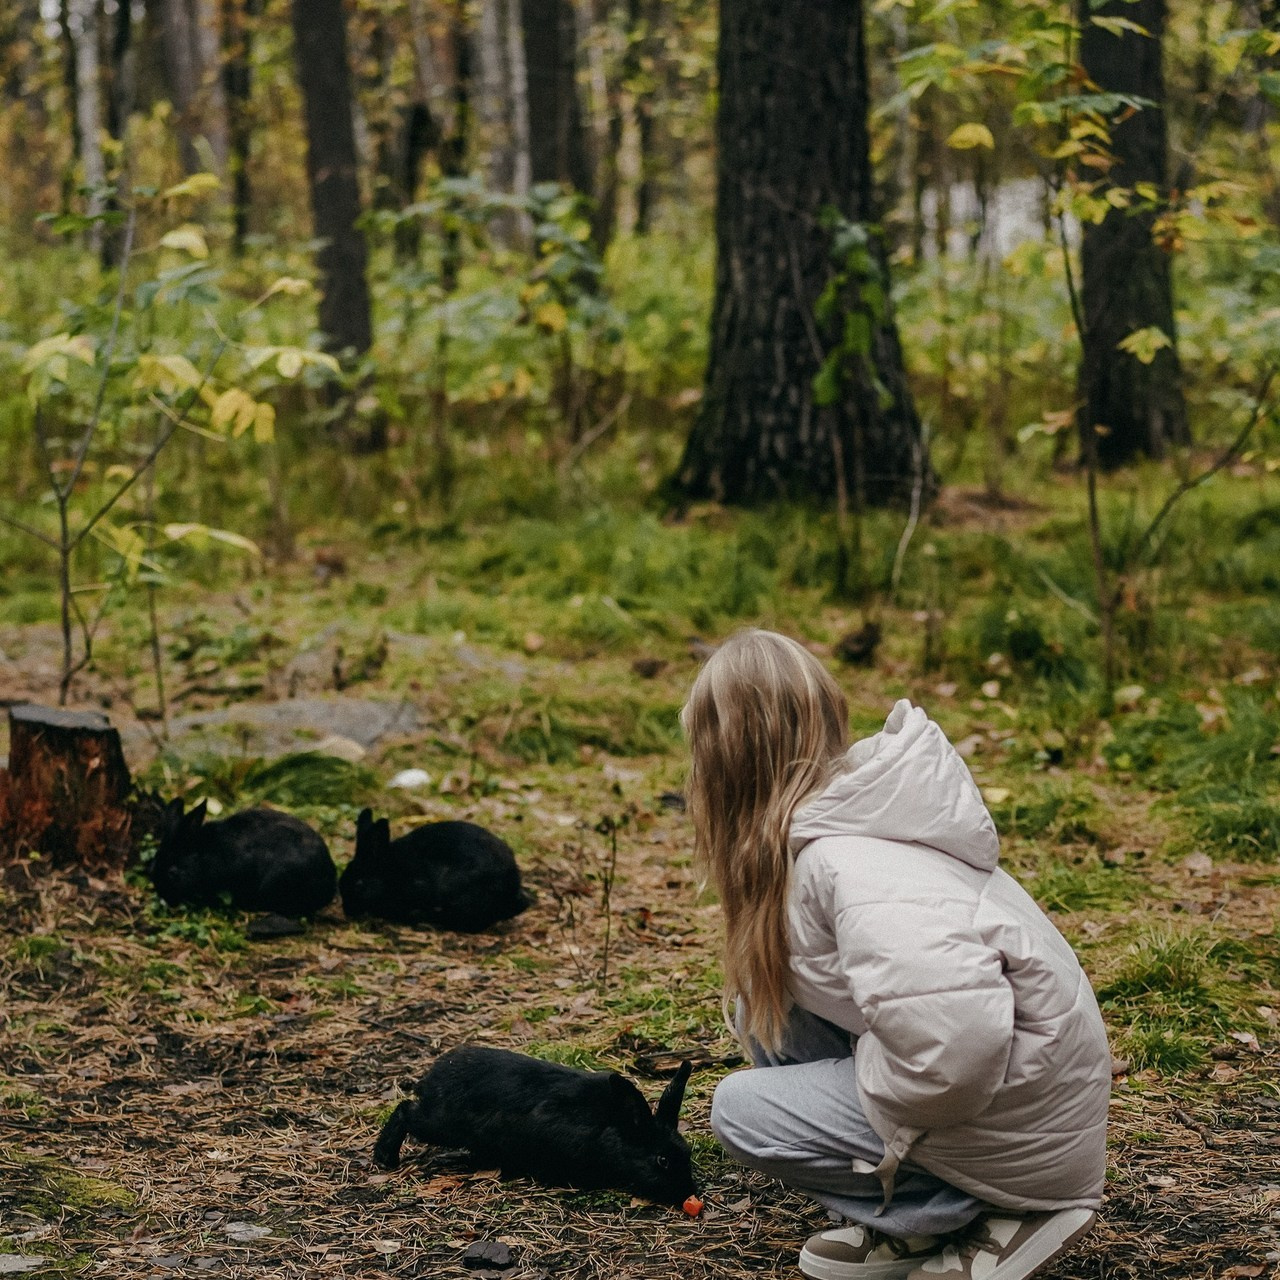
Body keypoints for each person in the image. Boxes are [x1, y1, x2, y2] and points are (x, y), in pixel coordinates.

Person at [681, 630, 1111, 1280]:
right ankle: (916, 1218)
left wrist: (883, 1107)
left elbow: (959, 1042)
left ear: (726, 762)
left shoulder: (844, 864)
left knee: (740, 1110)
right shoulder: (839, 819)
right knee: (760, 1005)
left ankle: (995, 1210)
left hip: (1022, 1105)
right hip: (1019, 1077)